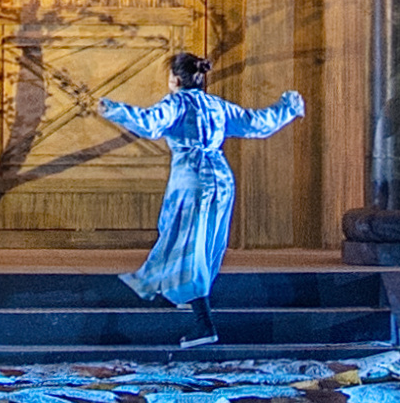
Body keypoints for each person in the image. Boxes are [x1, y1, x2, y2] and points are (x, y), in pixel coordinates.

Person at [96, 52, 305, 341]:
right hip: (221, 179)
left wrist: (115, 110)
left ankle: (203, 323)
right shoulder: (215, 106)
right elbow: (254, 123)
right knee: (203, 245)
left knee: (184, 244)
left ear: (176, 79)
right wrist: (286, 109)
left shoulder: (177, 103)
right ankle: (182, 297)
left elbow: (150, 122)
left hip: (192, 180)